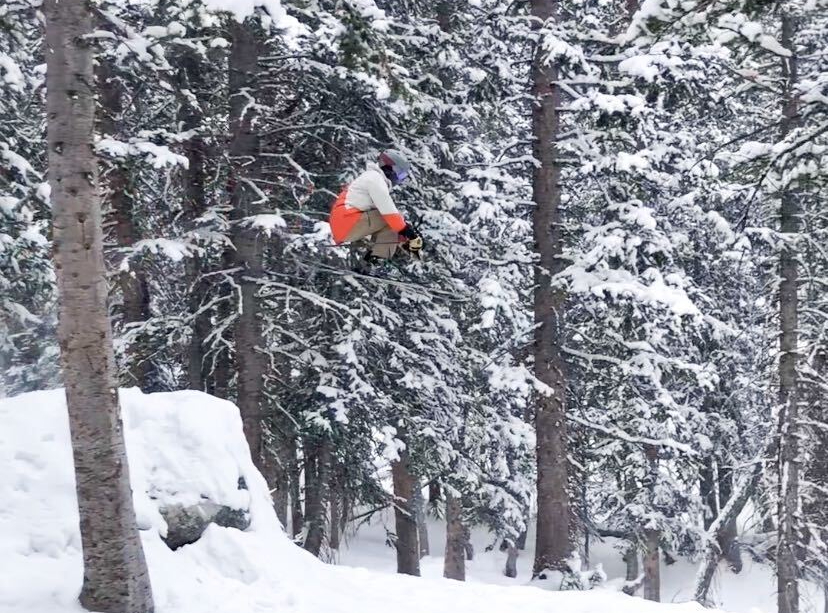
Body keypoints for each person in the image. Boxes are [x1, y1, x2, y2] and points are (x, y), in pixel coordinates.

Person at [329, 150, 423, 263]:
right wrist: (410, 234)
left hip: (346, 222)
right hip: (348, 221)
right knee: (391, 221)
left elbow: (381, 221)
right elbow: (389, 213)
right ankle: (376, 262)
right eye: (400, 174)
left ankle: (368, 261)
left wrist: (404, 239)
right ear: (390, 168)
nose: (400, 179)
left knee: (390, 226)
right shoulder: (375, 179)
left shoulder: (372, 178)